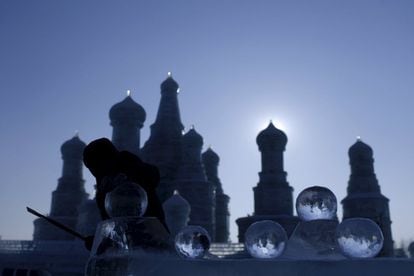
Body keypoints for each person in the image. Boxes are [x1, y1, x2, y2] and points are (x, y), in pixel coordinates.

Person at [83, 138, 167, 229]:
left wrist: (127, 177)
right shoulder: (103, 189)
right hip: (127, 237)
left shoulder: (132, 166)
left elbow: (152, 175)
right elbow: (109, 220)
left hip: (151, 232)